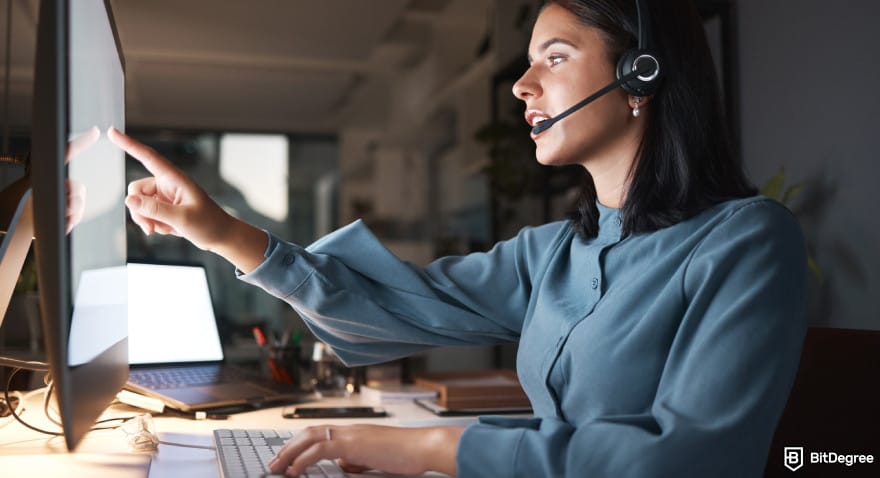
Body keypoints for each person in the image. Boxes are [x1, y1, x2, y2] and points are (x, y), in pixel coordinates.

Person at [109, 0, 808, 476]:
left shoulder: (746, 242)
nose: (523, 86)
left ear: (640, 76)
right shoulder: (553, 254)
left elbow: (681, 460)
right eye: (528, 62)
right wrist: (220, 232)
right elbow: (396, 304)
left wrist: (433, 449)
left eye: (555, 58)